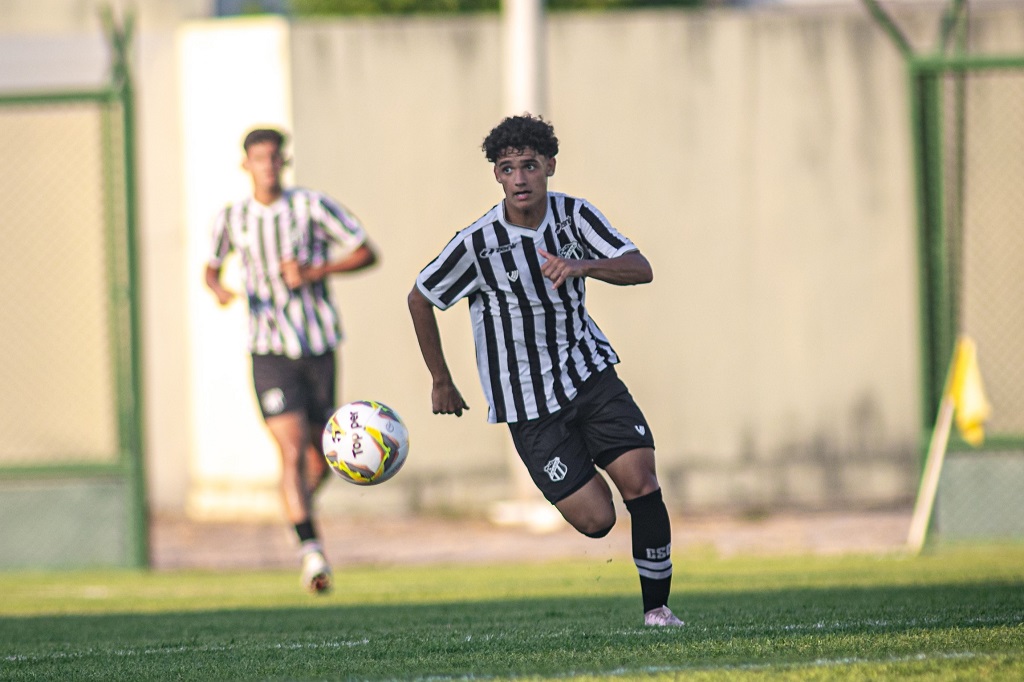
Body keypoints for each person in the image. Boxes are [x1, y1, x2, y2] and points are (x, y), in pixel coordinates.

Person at [407, 114, 683, 627]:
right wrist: (440, 379)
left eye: (530, 166)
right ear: (496, 175)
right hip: (528, 405)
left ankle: (658, 611)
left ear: (550, 166)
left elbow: (639, 268)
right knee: (598, 520)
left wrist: (582, 266)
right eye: (508, 168)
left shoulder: (575, 217)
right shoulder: (477, 243)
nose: (520, 178)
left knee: (642, 482)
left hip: (590, 376)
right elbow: (421, 297)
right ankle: (588, 484)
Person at [204, 127, 378, 594]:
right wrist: (219, 289)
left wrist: (316, 271)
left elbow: (366, 252)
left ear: (284, 162)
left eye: (274, 157)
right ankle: (312, 552)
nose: (268, 166)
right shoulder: (232, 218)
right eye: (259, 158)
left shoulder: (312, 207)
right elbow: (211, 267)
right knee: (291, 449)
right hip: (268, 349)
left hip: (317, 345)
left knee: (320, 459)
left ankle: (297, 511)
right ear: (246, 165)